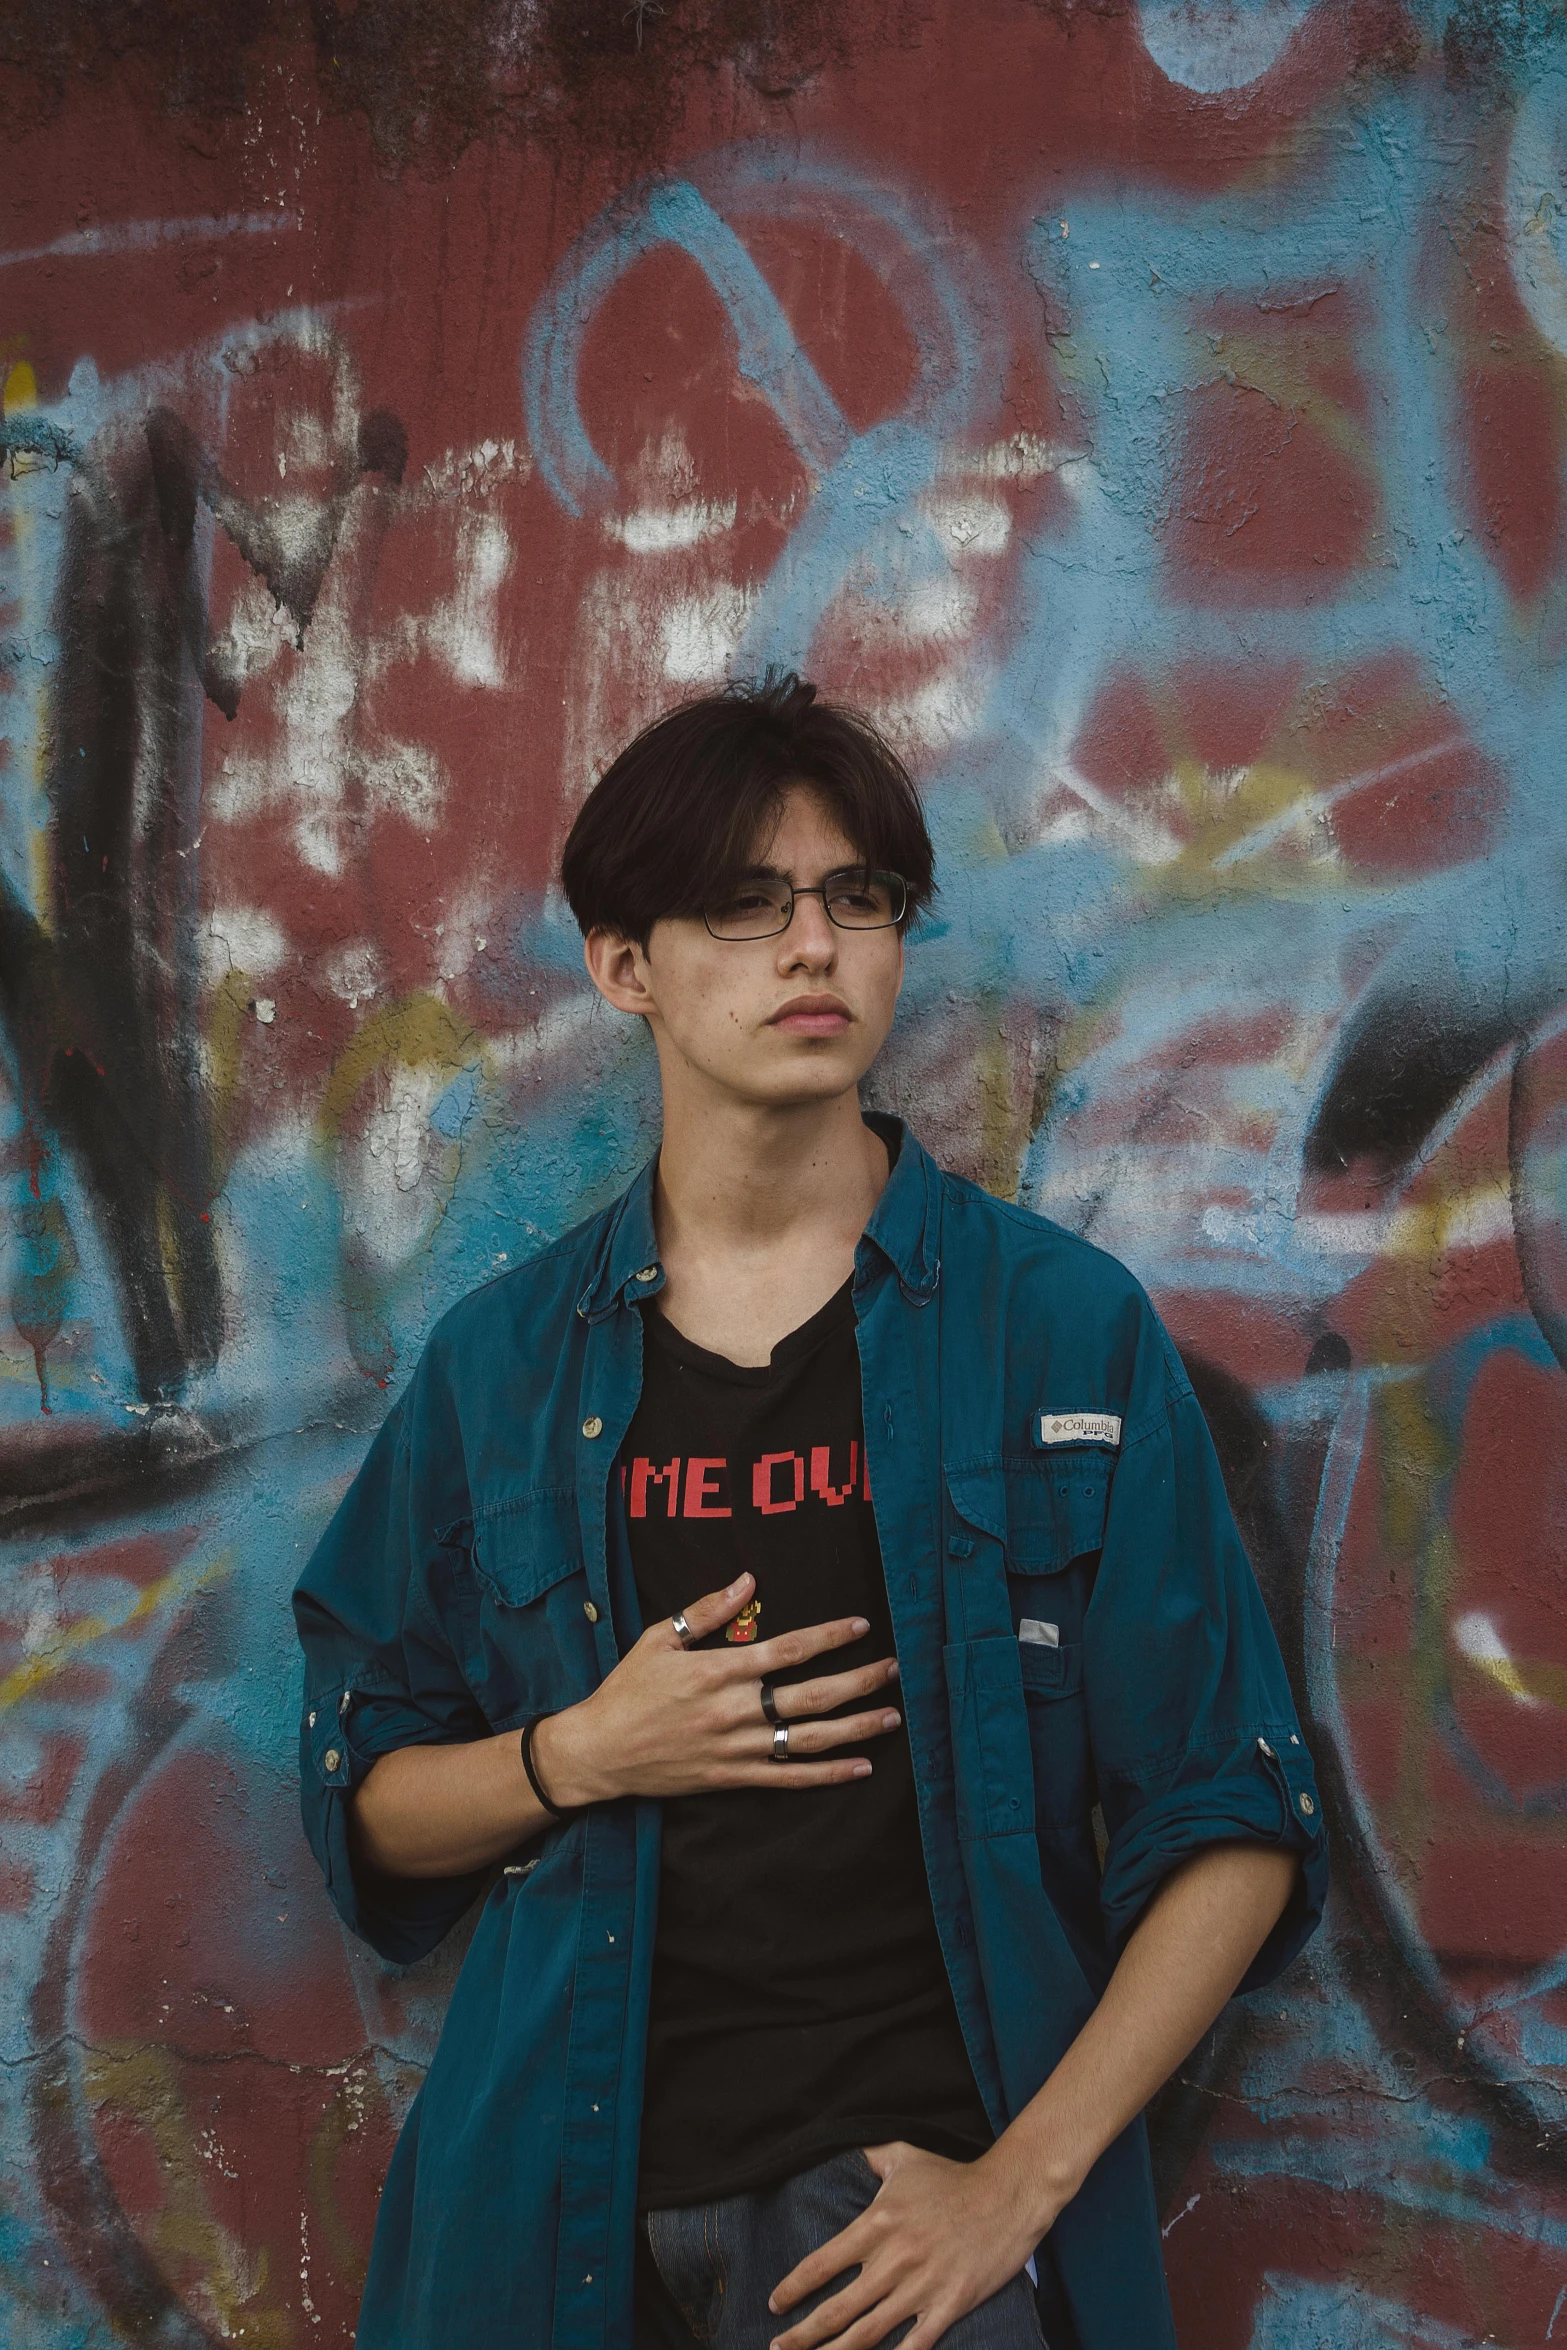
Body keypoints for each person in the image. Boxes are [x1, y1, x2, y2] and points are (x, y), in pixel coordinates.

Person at [292, 672, 1327, 2350]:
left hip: (901, 2242)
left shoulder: (1052, 1330)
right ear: (623, 965)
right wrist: (583, 1751)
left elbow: (1230, 1815)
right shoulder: (502, 1368)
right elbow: (366, 1800)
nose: (813, 947)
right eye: (745, 905)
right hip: (554, 2226)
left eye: (858, 901)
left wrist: (1016, 2186)